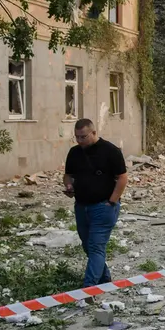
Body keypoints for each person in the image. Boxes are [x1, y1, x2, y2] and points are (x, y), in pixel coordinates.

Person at [64, 119, 128, 293]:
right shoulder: (74, 153)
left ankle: (89, 289)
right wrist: (69, 186)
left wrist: (112, 201)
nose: (79, 140)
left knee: (96, 246)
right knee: (87, 246)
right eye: (77, 137)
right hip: (81, 206)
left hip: (103, 207)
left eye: (83, 137)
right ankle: (105, 279)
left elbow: (122, 177)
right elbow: (68, 175)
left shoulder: (110, 151)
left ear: (93, 133)